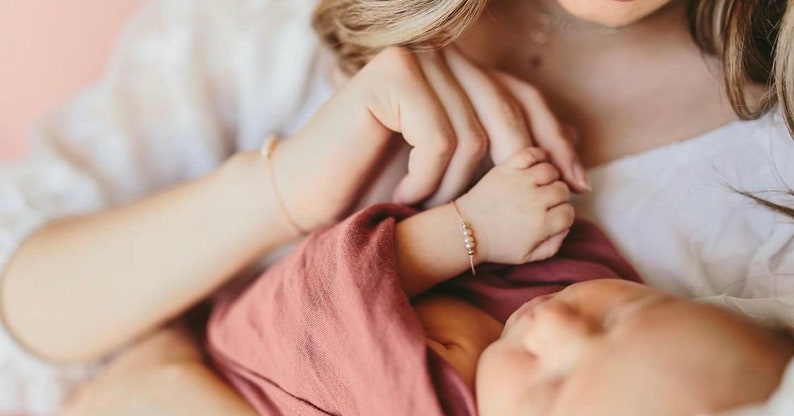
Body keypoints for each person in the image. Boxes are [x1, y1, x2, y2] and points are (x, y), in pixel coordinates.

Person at [0, 0, 792, 414]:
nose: (556, 322)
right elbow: (26, 312)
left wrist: (164, 382)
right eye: (610, 320)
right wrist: (283, 188)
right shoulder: (260, 32)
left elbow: (300, 327)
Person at [206, 147, 794, 416]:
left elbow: (296, 324)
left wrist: (466, 232)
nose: (559, 321)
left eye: (551, 390)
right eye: (622, 317)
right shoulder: (568, 283)